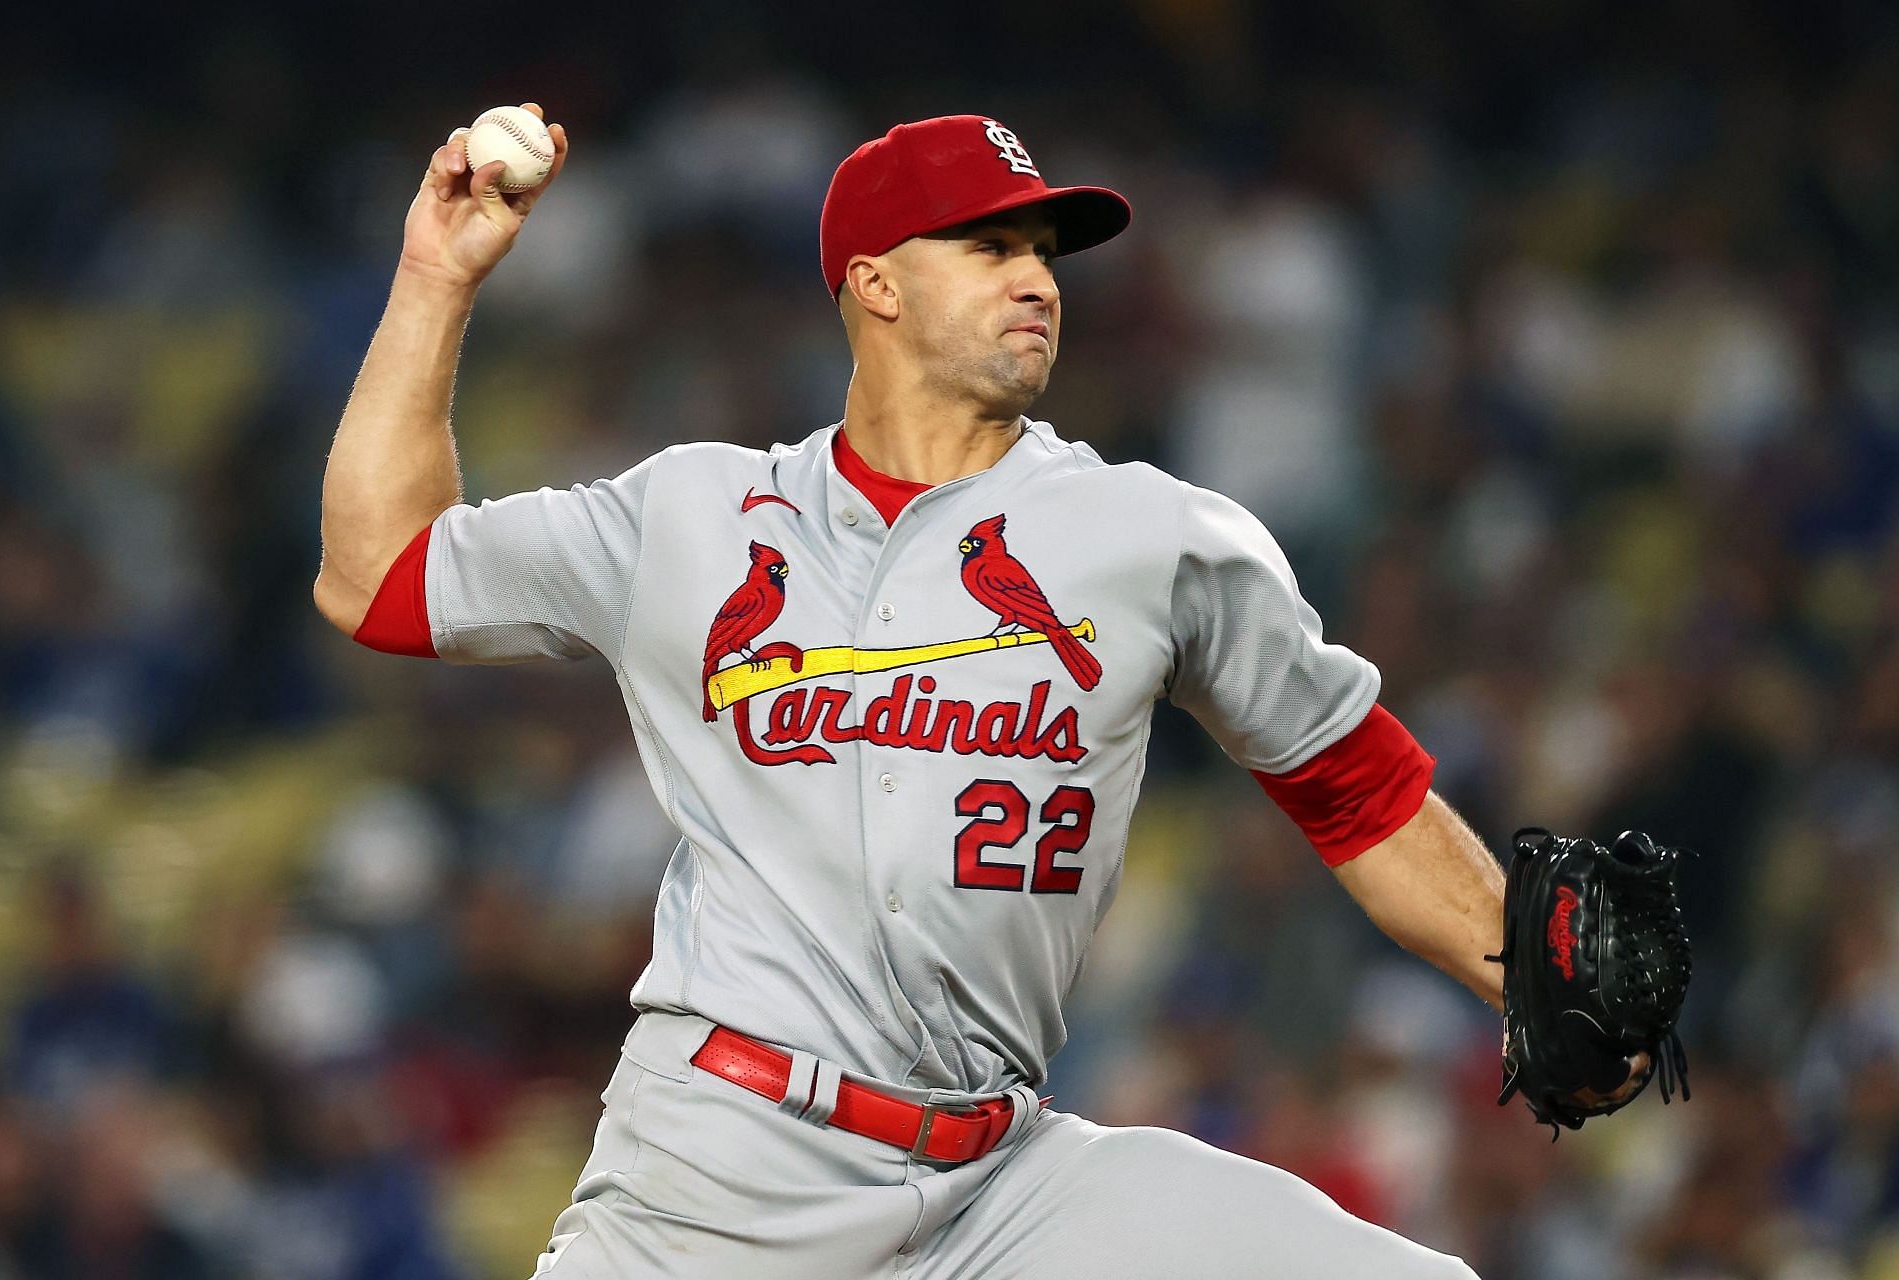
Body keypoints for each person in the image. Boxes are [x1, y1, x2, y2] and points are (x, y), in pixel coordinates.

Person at [316, 105, 1638, 1278]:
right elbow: (376, 575)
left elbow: (1358, 790)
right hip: (713, 1181)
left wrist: (1531, 972)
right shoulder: (693, 515)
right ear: (877, 285)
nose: (1036, 283)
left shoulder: (1152, 537)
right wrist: (438, 276)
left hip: (1001, 1189)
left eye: (1045, 254)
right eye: (991, 247)